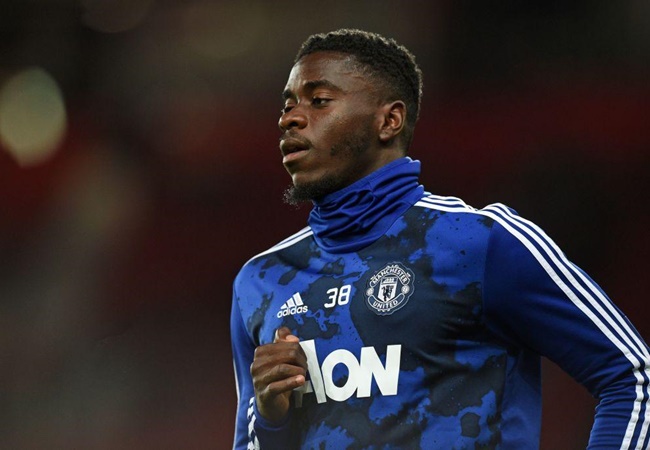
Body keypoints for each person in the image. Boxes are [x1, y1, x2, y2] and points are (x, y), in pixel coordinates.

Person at [230, 29, 650, 449]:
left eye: (319, 100)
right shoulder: (261, 281)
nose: (289, 118)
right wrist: (270, 420)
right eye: (288, 104)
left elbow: (632, 377)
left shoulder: (480, 243)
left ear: (389, 121)